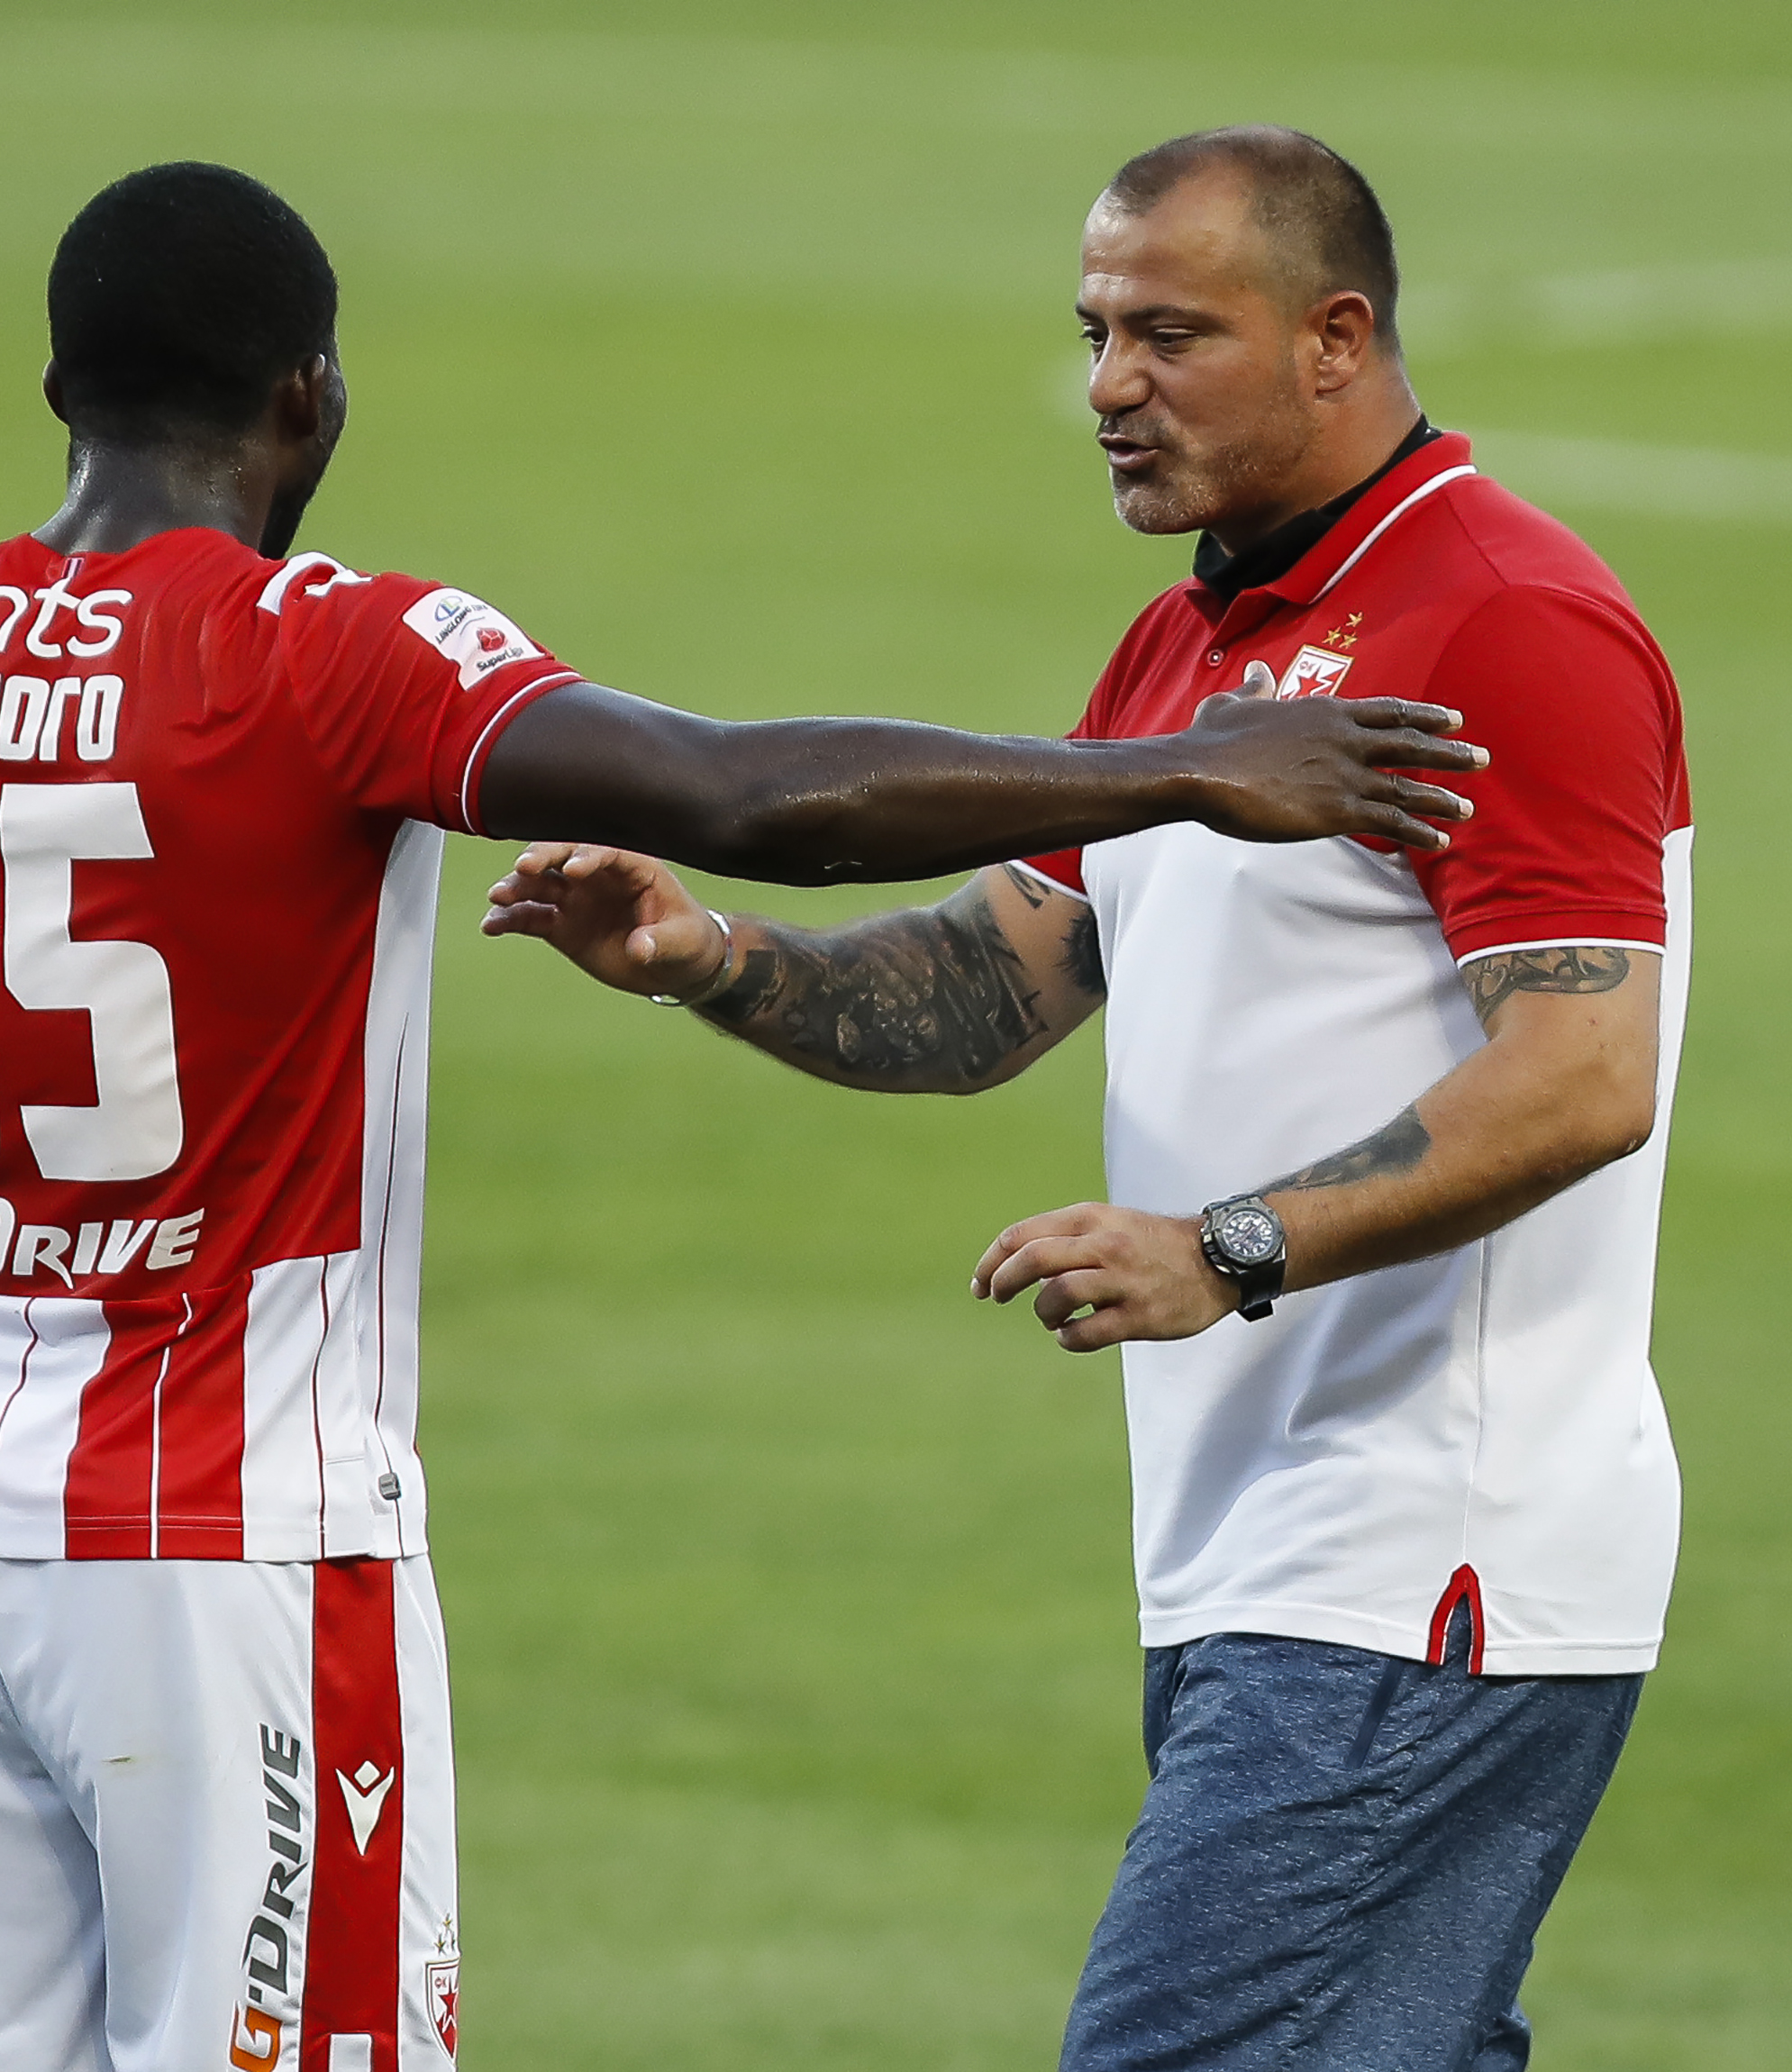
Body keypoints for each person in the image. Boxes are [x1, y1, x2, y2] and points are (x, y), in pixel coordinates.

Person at [0, 161, 1481, 2072]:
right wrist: (1183, 768)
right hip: (230, 1543)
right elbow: (750, 792)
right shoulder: (322, 654)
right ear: (307, 404)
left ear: (61, 389)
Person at [486, 126, 1689, 2069]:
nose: (1109, 385)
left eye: (1170, 334)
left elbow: (1580, 1075)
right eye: (1095, 332)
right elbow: (978, 994)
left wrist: (1232, 1245)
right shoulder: (1186, 648)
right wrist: (699, 957)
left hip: (1422, 1552)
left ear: (1336, 337)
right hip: (1258, 1550)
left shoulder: (1502, 620)